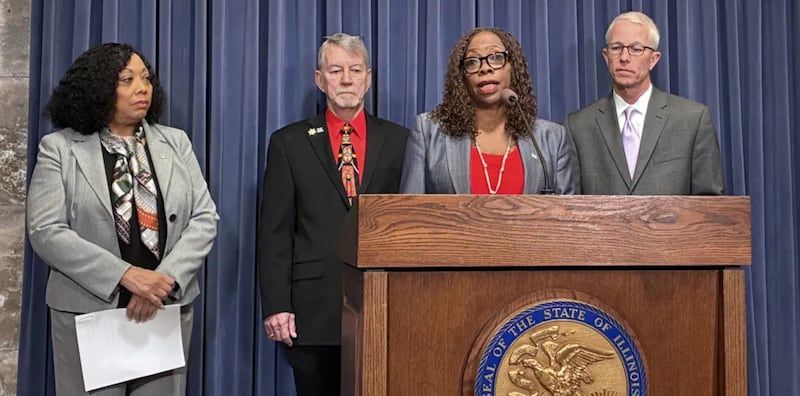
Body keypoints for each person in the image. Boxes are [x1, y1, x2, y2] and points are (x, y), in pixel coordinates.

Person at [26, 43, 219, 395]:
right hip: (90, 315)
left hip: (161, 310)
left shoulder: (176, 142)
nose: (142, 88)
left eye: (145, 78)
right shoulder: (60, 148)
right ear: (99, 88)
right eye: (127, 80)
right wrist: (127, 276)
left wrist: (160, 283)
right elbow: (46, 231)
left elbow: (205, 218)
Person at [257, 33, 408, 396]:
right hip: (312, 313)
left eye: (355, 70)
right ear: (319, 79)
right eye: (335, 70)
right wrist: (277, 305)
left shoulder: (401, 141)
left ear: (368, 78)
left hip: (383, 306)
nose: (346, 79)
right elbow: (274, 232)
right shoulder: (289, 143)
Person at [400, 27, 577, 195]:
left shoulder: (552, 138)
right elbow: (409, 209)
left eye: (497, 57)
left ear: (514, 68)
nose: (485, 68)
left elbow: (567, 213)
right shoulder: (428, 132)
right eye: (472, 62)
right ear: (461, 76)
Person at [564, 11, 724, 195]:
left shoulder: (693, 120)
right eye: (616, 48)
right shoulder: (578, 126)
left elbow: (710, 204)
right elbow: (570, 205)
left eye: (636, 49)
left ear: (653, 59)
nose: (624, 57)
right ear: (606, 57)